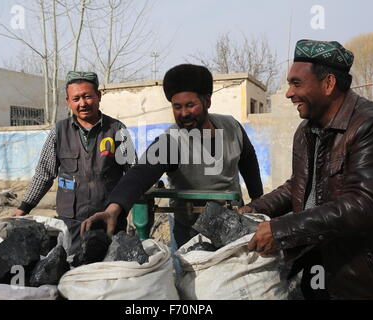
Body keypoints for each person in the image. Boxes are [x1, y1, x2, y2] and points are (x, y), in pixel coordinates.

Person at [243, 39, 373, 299]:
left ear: (328, 84)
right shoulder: (306, 131)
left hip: (363, 276)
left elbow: (362, 204)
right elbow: (299, 186)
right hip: (317, 265)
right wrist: (255, 209)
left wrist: (280, 230)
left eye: (296, 83)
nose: (289, 93)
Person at [80, 64, 263, 247]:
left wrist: (258, 201)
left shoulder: (232, 127)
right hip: (191, 233)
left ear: (207, 101)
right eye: (177, 107)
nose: (184, 113)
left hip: (234, 226)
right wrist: (113, 209)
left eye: (190, 105)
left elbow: (248, 160)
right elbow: (140, 173)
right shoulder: (171, 141)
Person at [12, 71, 135, 253]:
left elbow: (133, 171)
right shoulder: (59, 132)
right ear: (68, 102)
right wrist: (24, 207)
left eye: (87, 96)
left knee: (108, 271)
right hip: (71, 222)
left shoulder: (117, 130)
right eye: (76, 98)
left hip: (108, 220)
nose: (82, 103)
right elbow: (44, 174)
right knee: (72, 269)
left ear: (98, 96)